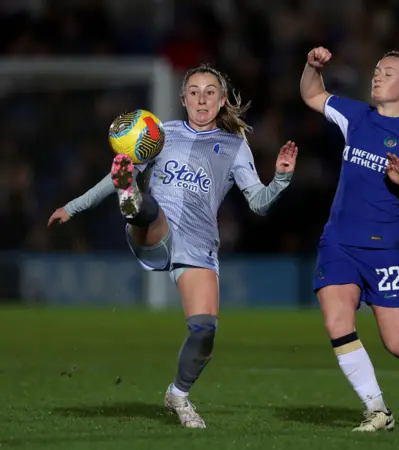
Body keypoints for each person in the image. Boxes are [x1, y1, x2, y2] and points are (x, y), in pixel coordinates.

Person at [48, 63, 298, 429]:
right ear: (182, 99)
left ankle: (177, 395)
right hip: (155, 233)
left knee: (205, 331)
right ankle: (131, 200)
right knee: (147, 209)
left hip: (198, 247)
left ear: (222, 99)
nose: (202, 98)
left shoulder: (235, 146)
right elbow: (111, 176)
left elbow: (258, 203)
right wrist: (74, 207)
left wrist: (280, 178)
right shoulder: (161, 134)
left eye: (210, 91)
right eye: (194, 91)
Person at [300, 46, 399, 433]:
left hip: (387, 247)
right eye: (376, 71)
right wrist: (311, 67)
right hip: (339, 241)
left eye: (387, 72)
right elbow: (312, 95)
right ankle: (377, 410)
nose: (377, 76)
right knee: (337, 319)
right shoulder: (357, 116)